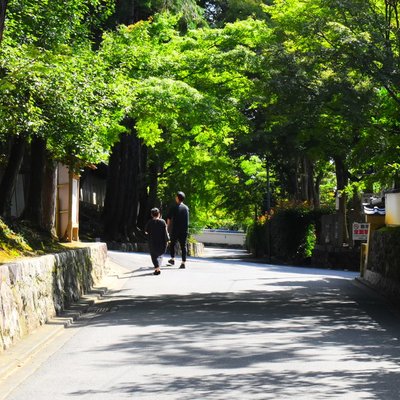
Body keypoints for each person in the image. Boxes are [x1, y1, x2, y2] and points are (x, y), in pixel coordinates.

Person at [167, 191, 189, 269]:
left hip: (175, 229)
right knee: (183, 246)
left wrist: (167, 227)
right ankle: (183, 263)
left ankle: (172, 259)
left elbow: (169, 218)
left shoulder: (174, 207)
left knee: (172, 244)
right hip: (184, 230)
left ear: (177, 198)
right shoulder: (186, 208)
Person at [145, 208, 169, 275]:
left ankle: (157, 268)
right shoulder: (163, 222)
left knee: (154, 256)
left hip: (152, 242)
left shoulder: (149, 222)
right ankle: (157, 269)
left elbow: (146, 232)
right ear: (159, 214)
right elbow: (165, 232)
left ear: (151, 215)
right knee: (160, 255)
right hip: (162, 243)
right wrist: (167, 240)